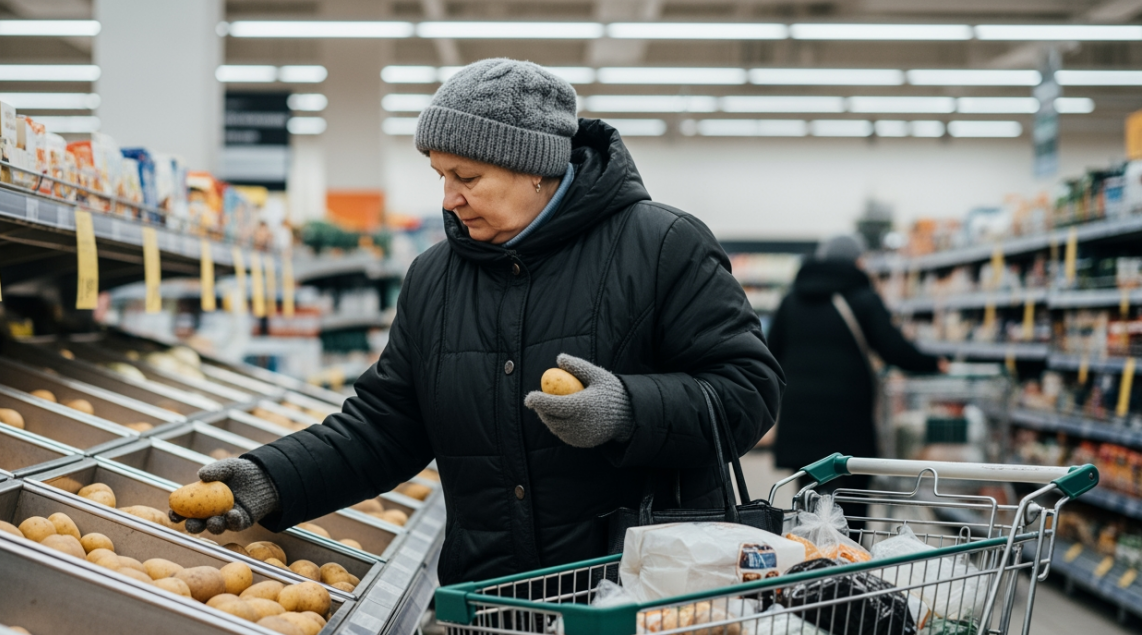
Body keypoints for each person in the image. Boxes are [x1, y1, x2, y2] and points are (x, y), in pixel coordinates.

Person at [171, 59, 783, 588]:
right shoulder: (434, 279)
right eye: (441, 176)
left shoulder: (662, 246)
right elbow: (385, 427)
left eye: (467, 178)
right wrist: (273, 477)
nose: (448, 200)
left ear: (537, 168)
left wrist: (627, 410)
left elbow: (749, 392)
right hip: (495, 604)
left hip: (639, 598)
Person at [767, 234, 946, 519]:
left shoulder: (791, 300)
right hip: (846, 420)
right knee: (850, 502)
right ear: (857, 261)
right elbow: (893, 348)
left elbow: (770, 352)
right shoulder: (863, 298)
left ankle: (812, 558)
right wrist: (933, 364)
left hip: (800, 419)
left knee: (809, 501)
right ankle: (849, 559)